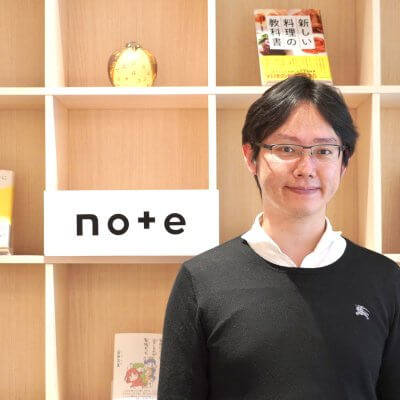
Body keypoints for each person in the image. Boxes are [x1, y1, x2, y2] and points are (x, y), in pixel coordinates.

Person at [157, 75, 400, 399]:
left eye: (324, 150)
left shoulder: (384, 280)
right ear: (251, 156)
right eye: (286, 148)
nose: (306, 167)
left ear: (344, 163)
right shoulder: (201, 281)